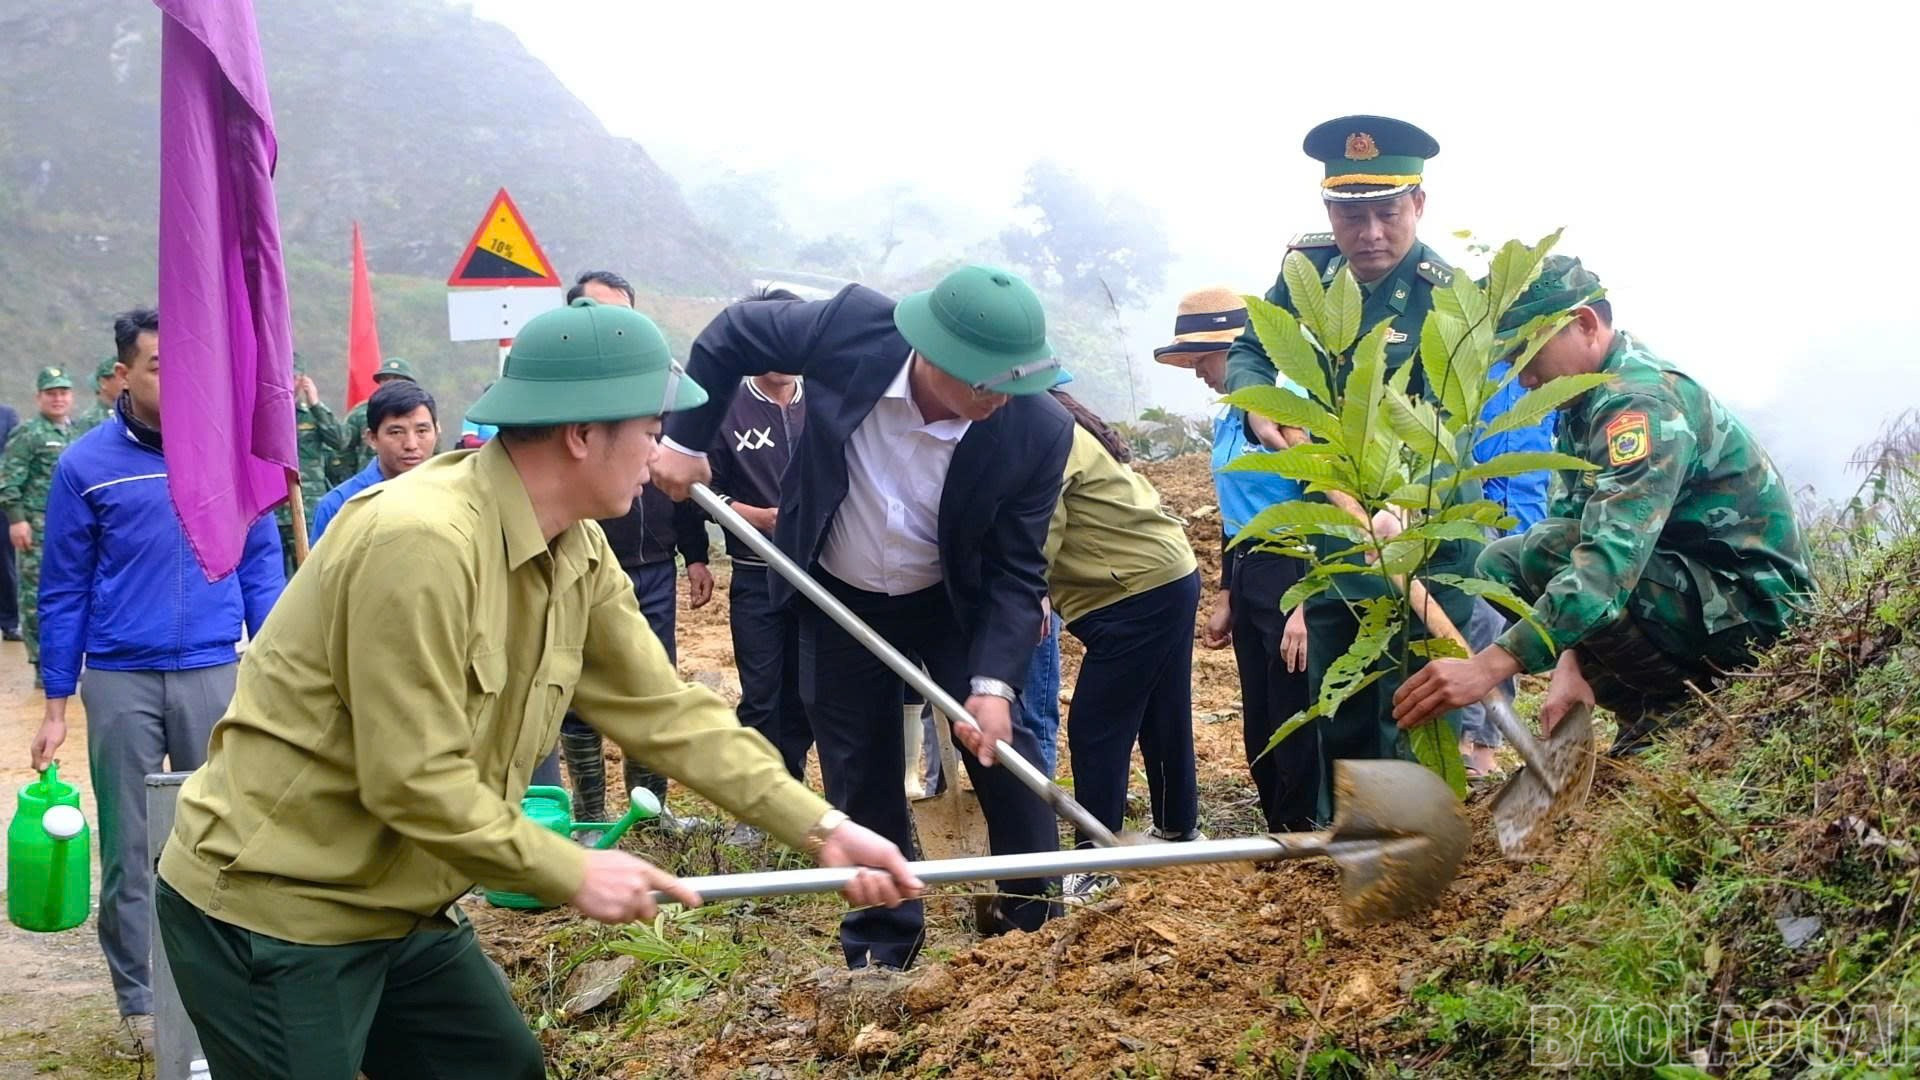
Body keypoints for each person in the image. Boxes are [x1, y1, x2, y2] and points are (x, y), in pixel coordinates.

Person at [151, 297, 918, 1078]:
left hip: (401, 903)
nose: (665, 451)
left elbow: (666, 712)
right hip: (280, 911)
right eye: (652, 430)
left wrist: (821, 825)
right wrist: (573, 869)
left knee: (499, 1066)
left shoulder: (576, 547)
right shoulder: (421, 542)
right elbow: (412, 778)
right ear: (583, 435)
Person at [651, 264, 1071, 970]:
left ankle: (1031, 934)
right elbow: (731, 335)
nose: (1002, 399)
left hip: (948, 599)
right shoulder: (850, 328)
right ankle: (884, 946)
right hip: (835, 592)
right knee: (860, 768)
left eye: (1014, 384)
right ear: (934, 357)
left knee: (1004, 751)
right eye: (987, 384)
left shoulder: (1036, 429)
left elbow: (1015, 569)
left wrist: (993, 686)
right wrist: (688, 444)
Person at [1392, 257, 1815, 753]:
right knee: (1504, 559)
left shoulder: (1638, 404)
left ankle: (1677, 707)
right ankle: (1645, 710)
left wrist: (1488, 667)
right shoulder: (1583, 404)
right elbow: (1577, 527)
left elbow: (1606, 564)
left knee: (1548, 552)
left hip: (1759, 615)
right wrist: (1569, 664)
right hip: (1696, 597)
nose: (1523, 380)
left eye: (1529, 357)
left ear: (1585, 325)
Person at [29, 309, 285, 1058]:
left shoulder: (230, 454)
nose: (175, 380)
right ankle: (141, 1004)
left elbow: (261, 558)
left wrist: (268, 654)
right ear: (124, 375)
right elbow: (64, 587)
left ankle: (230, 992)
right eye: (157, 366)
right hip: (120, 677)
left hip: (213, 667)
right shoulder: (86, 466)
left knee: (231, 835)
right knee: (133, 847)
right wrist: (54, 703)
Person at [1223, 115, 1481, 821]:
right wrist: (1256, 406)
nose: (1368, 233)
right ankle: (1349, 860)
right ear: (1328, 212)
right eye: (1350, 214)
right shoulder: (1308, 271)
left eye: (1386, 213)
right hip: (1337, 527)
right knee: (1337, 701)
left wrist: (1409, 504)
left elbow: (1455, 420)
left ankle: (1413, 852)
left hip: (1424, 531)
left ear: (1418, 206)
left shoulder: (1449, 295)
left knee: (1409, 703)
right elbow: (1250, 349)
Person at [544, 269, 712, 818]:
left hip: (653, 564)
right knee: (576, 681)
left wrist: (697, 557)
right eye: (598, 314)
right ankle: (591, 815)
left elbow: (677, 480)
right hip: (579, 559)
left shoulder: (660, 388)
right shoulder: (554, 398)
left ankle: (653, 810)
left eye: (624, 317)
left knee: (654, 680)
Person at [1156, 288, 1320, 830]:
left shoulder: (1289, 407)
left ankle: (1306, 829)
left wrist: (1307, 604)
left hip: (1296, 566)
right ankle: (1277, 828)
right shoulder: (1232, 417)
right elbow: (1234, 513)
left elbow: (1324, 503)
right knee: (1260, 715)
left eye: (1203, 359)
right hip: (1250, 567)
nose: (1199, 372)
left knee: (1295, 707)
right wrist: (1227, 593)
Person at [1041, 385, 1202, 900]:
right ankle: (1179, 829)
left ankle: (1095, 861)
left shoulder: (1048, 438)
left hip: (1133, 589)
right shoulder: (1071, 428)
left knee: (1095, 726)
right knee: (1163, 710)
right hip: (1168, 572)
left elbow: (1041, 522)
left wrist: (1025, 589)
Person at [687, 287, 813, 780]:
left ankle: (795, 792)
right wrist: (756, 518)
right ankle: (758, 805)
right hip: (756, 574)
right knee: (761, 694)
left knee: (806, 692)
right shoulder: (726, 406)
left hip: (817, 577)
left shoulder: (822, 403)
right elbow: (700, 488)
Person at [0, 365, 78, 681]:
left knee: (71, 594)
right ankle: (44, 667)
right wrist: (17, 521)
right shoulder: (28, 434)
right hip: (36, 529)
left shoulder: (75, 433)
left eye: (62, 392)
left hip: (71, 531)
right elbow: (8, 480)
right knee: (37, 598)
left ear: (71, 397)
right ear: (39, 397)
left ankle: (67, 660)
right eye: (51, 393)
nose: (57, 399)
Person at [308, 379, 439, 545]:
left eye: (422, 431)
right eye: (397, 432)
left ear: (436, 432)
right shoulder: (339, 505)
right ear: (372, 438)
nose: (411, 445)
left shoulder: (453, 497)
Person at [273, 356, 349, 575]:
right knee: (276, 580)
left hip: (307, 509)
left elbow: (340, 440)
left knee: (311, 575)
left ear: (302, 380)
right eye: (284, 377)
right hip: (275, 510)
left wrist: (315, 403)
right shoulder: (266, 414)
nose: (289, 383)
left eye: (294, 377)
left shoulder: (313, 415)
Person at [329, 356, 420, 484]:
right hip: (370, 485)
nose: (390, 383)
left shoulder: (421, 412)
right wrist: (351, 478)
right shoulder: (361, 412)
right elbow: (343, 447)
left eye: (397, 379)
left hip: (413, 482)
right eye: (386, 379)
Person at [0, 399, 18, 642]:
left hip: (1, 499)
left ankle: (9, 622)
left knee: (4, 564)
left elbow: (11, 456)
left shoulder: (6, 415)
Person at [72, 356, 123, 435]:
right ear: (103, 383)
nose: (126, 383)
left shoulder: (133, 415)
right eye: (120, 378)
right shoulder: (91, 420)